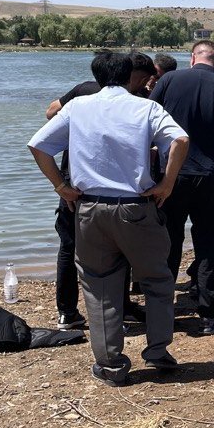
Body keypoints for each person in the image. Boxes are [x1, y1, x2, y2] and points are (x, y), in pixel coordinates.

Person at [27, 52, 190, 386]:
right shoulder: (146, 107)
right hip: (136, 208)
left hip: (89, 209)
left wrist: (62, 186)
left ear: (96, 75)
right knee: (157, 281)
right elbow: (181, 140)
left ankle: (111, 364)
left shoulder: (77, 106)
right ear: (131, 76)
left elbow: (38, 146)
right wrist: (167, 184)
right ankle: (158, 351)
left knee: (100, 286)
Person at [44, 50, 148, 330]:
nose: (146, 87)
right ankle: (120, 308)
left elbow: (50, 112)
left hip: (72, 181)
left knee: (69, 246)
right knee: (117, 249)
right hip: (109, 188)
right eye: (145, 81)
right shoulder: (134, 103)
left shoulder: (82, 93)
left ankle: (67, 312)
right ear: (132, 76)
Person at [149, 40, 214, 334]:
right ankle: (209, 314)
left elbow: (147, 124)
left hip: (172, 176)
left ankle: (162, 309)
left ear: (193, 58)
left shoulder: (168, 80)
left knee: (167, 241)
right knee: (210, 245)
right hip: (212, 176)